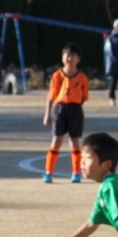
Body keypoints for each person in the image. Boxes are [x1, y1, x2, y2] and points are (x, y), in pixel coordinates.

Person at [42, 42, 89, 184]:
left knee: (74, 141)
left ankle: (76, 172)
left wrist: (76, 108)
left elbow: (83, 97)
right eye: (67, 55)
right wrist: (47, 114)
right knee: (57, 139)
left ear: (78, 59)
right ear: (62, 57)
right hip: (60, 109)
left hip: (75, 110)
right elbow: (51, 96)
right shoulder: (57, 76)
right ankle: (48, 172)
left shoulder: (82, 78)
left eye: (73, 56)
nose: (69, 59)